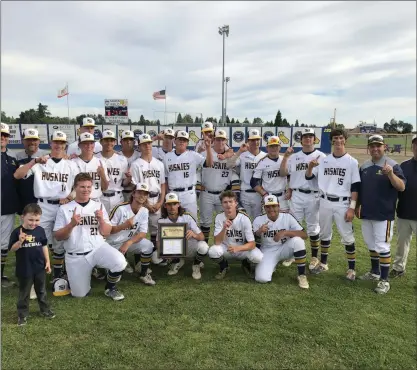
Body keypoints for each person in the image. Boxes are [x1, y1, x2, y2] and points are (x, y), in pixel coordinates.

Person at [13, 131, 78, 286]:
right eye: (55, 142)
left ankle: (57, 274)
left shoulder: (71, 164)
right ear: (50, 143)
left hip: (63, 206)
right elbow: (17, 175)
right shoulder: (41, 161)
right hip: (43, 206)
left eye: (61, 143)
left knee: (60, 241)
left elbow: (77, 187)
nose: (58, 145)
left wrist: (69, 197)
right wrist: (34, 161)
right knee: (36, 241)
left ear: (65, 145)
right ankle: (35, 275)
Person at [53, 173, 127, 301]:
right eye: (82, 187)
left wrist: (101, 221)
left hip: (97, 248)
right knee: (79, 294)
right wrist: (71, 225)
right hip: (76, 255)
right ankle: (71, 277)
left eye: (88, 187)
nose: (86, 190)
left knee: (120, 262)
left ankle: (110, 288)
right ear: (75, 188)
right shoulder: (64, 209)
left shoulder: (98, 206)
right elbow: (58, 236)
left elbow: (106, 232)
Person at [305, 129, 360, 280]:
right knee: (324, 233)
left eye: (341, 138)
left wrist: (352, 207)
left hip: (343, 202)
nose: (338, 140)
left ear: (345, 140)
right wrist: (310, 167)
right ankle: (323, 263)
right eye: (335, 138)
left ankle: (351, 269)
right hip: (324, 201)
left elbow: (355, 187)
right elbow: (309, 177)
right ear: (331, 141)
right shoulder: (324, 160)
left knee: (347, 236)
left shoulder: (352, 161)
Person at [356, 135, 406, 294]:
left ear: (384, 146)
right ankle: (375, 272)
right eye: (372, 146)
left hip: (383, 214)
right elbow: (360, 189)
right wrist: (357, 205)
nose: (375, 148)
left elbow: (402, 187)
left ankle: (384, 281)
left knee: (383, 247)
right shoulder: (364, 166)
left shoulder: (392, 165)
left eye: (378, 145)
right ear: (368, 148)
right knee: (371, 245)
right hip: (367, 212)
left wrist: (390, 174)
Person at [279, 128, 326, 271]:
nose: (307, 139)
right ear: (301, 140)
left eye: (310, 136)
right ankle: (295, 254)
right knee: (295, 226)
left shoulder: (321, 156)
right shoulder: (294, 156)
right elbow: (285, 174)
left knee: (313, 227)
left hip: (313, 194)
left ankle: (314, 257)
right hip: (297, 195)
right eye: (305, 137)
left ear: (314, 139)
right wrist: (290, 188)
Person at [8, 203, 55, 326]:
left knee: (41, 290)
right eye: (31, 219)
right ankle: (22, 315)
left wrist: (48, 262)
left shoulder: (40, 230)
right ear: (22, 217)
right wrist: (19, 241)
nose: (34, 223)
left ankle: (45, 310)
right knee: (24, 293)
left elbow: (44, 246)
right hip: (25, 268)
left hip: (39, 267)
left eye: (37, 220)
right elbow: (12, 249)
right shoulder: (17, 232)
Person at [253, 195, 309, 289]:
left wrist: (285, 232)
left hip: (285, 248)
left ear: (279, 206)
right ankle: (271, 264)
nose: (271, 209)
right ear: (264, 208)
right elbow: (250, 240)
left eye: (274, 206)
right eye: (268, 206)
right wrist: (259, 231)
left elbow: (304, 235)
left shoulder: (287, 217)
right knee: (261, 278)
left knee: (298, 241)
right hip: (268, 251)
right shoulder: (258, 220)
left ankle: (302, 275)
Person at [107, 183, 156, 285]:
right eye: (139, 192)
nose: (142, 196)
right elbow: (107, 231)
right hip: (111, 244)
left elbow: (142, 233)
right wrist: (123, 226)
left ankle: (143, 274)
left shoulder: (144, 211)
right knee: (114, 276)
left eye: (145, 194)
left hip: (126, 242)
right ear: (133, 194)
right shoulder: (120, 208)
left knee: (148, 245)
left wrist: (129, 242)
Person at [208, 190, 263, 279]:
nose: (228, 205)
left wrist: (238, 248)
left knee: (258, 257)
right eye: (225, 202)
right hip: (226, 248)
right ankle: (224, 266)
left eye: (231, 202)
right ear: (222, 204)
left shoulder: (244, 218)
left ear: (236, 203)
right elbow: (217, 242)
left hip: (242, 249)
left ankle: (245, 264)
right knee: (213, 251)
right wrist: (224, 228)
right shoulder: (219, 217)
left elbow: (252, 244)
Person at [130, 133, 167, 265]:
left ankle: (153, 256)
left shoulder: (159, 164)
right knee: (139, 229)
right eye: (144, 144)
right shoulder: (135, 164)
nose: (147, 145)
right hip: (141, 201)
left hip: (156, 199)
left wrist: (160, 202)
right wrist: (145, 204)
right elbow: (135, 187)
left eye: (149, 143)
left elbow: (163, 184)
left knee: (155, 230)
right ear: (139, 146)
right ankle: (138, 261)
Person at [199, 129, 240, 243]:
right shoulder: (206, 152)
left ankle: (225, 245)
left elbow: (236, 165)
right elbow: (199, 169)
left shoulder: (231, 155)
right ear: (214, 140)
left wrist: (230, 154)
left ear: (226, 141)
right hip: (206, 192)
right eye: (218, 139)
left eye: (223, 140)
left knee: (225, 220)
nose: (220, 142)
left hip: (222, 194)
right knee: (205, 222)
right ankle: (204, 247)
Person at [158, 193, 209, 279]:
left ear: (178, 204)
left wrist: (194, 234)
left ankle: (196, 264)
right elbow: (159, 241)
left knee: (204, 247)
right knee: (157, 257)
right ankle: (177, 261)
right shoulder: (162, 221)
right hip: (175, 248)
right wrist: (163, 253)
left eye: (174, 204)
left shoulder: (187, 217)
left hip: (190, 246)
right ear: (165, 206)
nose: (172, 207)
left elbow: (202, 237)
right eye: (169, 204)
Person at [163, 130, 213, 220]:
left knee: (192, 221)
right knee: (173, 221)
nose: (182, 141)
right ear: (175, 141)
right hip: (172, 193)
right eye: (179, 139)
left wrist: (208, 148)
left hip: (188, 193)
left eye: (184, 140)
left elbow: (209, 164)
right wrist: (165, 196)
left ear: (187, 143)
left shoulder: (193, 155)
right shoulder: (167, 157)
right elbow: (165, 179)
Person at [391, 135, 417, 278]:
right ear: (412, 147)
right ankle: (399, 268)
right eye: (415, 144)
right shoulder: (404, 166)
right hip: (405, 212)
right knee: (401, 244)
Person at [226, 129, 267, 219]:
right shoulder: (243, 155)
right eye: (252, 140)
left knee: (259, 222)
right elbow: (229, 164)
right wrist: (239, 151)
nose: (255, 142)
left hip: (259, 194)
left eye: (257, 139)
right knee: (244, 222)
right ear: (248, 141)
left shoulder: (265, 156)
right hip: (245, 193)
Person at [1, 123, 20, 288]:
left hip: (7, 207)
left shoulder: (12, 159)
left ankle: (0, 276)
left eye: (5, 135)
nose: (2, 137)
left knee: (3, 243)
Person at [251, 135, 290, 212]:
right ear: (267, 148)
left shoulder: (285, 160)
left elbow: (290, 177)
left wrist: (290, 189)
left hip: (283, 197)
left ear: (280, 147)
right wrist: (264, 194)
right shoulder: (262, 162)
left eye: (276, 146)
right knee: (269, 222)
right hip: (269, 196)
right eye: (271, 146)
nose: (274, 148)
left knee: (284, 222)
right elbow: (253, 182)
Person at [96, 129, 130, 214]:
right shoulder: (95, 158)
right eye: (106, 140)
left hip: (117, 196)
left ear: (115, 142)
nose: (109, 143)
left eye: (111, 140)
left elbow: (124, 183)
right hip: (100, 196)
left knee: (118, 224)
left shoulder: (122, 159)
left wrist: (129, 178)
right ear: (101, 142)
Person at [15, 128, 49, 215]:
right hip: (24, 199)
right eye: (28, 140)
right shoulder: (17, 156)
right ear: (23, 141)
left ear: (39, 141)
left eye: (34, 139)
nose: (32, 142)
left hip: (42, 200)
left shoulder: (47, 156)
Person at [72, 132, 109, 200]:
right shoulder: (72, 162)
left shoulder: (101, 162)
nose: (89, 146)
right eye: (85, 143)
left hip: (96, 200)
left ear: (94, 144)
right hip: (78, 201)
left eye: (91, 143)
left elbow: (105, 188)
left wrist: (102, 175)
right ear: (79, 145)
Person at [118, 130, 141, 202]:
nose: (128, 142)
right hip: (120, 192)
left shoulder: (139, 155)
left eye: (131, 139)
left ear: (134, 142)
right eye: (125, 140)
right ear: (121, 142)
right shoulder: (117, 156)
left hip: (137, 191)